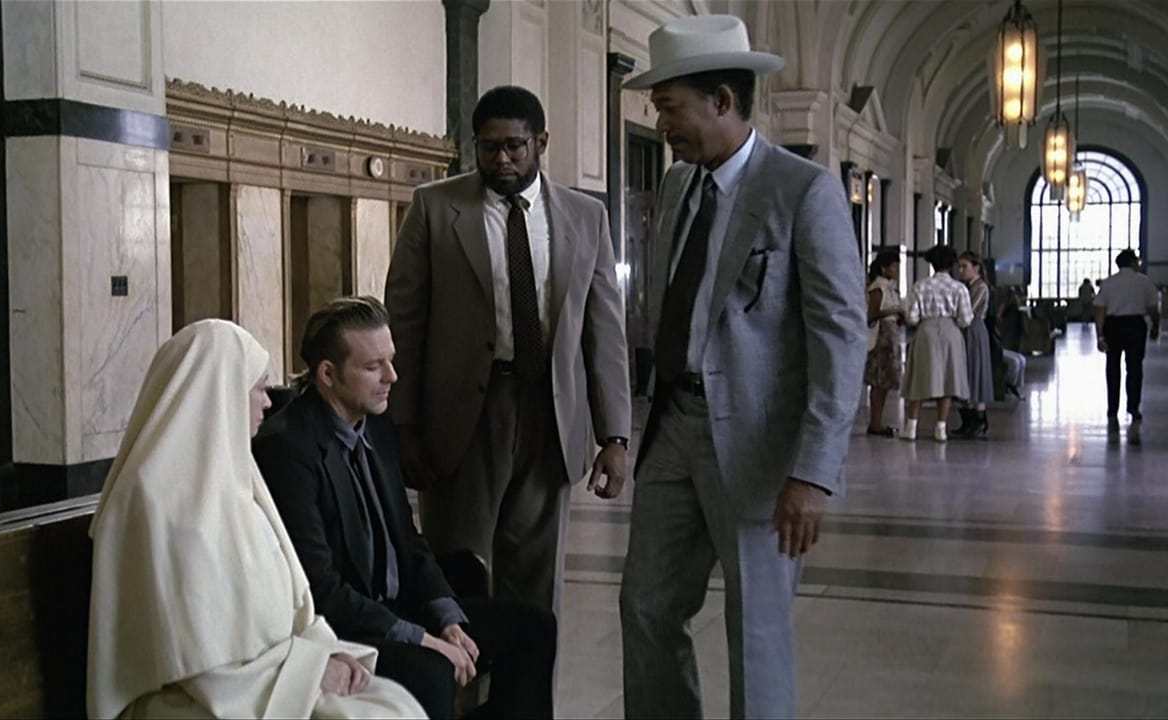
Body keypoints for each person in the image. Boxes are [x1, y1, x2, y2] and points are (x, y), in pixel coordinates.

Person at [618, 16, 867, 719]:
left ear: (722, 101)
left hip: (760, 448)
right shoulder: (677, 187)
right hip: (673, 426)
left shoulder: (803, 191)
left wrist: (813, 472)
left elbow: (840, 336)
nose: (662, 124)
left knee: (756, 627)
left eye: (671, 108)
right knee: (646, 604)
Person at [86, 320, 424, 720]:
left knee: (395, 702)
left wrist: (324, 655)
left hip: (265, 677)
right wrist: (310, 672)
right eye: (259, 388)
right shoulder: (155, 502)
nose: (267, 402)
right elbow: (195, 664)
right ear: (221, 394)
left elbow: (293, 605)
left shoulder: (238, 479)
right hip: (195, 701)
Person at [384, 86, 631, 618]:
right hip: (462, 420)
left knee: (535, 586)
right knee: (459, 573)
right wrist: (401, 426)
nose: (502, 159)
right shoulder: (435, 207)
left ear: (541, 142)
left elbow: (604, 330)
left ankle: (528, 674)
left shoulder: (585, 216)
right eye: (489, 147)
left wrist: (614, 435)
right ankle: (464, 672)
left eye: (515, 146)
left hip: (550, 413)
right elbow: (404, 321)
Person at [253, 297, 556, 720]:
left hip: (398, 607)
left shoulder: (377, 424)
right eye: (373, 366)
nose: (392, 377)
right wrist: (420, 638)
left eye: (391, 361)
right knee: (431, 670)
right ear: (327, 374)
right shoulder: (288, 448)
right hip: (345, 626)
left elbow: (408, 541)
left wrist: (447, 618)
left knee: (533, 627)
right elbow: (320, 587)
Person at [899, 245, 973, 442]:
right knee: (947, 379)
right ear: (952, 265)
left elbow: (912, 317)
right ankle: (941, 428)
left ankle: (911, 427)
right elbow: (965, 319)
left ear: (932, 264)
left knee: (919, 378)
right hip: (950, 333)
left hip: (927, 332)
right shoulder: (959, 288)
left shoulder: (920, 286)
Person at [1095, 249, 1161, 431]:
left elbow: (1099, 311)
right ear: (1132, 262)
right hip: (1135, 326)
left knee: (1112, 368)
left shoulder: (1108, 283)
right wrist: (1155, 327)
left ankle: (1112, 409)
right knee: (1134, 369)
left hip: (1113, 326)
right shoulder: (1144, 282)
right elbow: (1153, 308)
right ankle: (1133, 408)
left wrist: (1100, 335)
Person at [866, 248, 906, 437]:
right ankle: (875, 422)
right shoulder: (878, 288)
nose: (896, 270)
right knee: (878, 381)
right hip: (881, 338)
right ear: (884, 268)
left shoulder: (891, 288)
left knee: (885, 382)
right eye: (893, 267)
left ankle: (878, 421)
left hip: (891, 335)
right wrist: (893, 311)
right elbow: (872, 314)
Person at [954, 251, 994, 439]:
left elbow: (969, 312)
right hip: (965, 331)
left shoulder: (980, 287)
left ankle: (978, 420)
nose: (961, 270)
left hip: (974, 330)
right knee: (966, 373)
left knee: (975, 372)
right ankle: (968, 420)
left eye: (965, 266)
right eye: (959, 267)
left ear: (976, 267)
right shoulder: (966, 287)